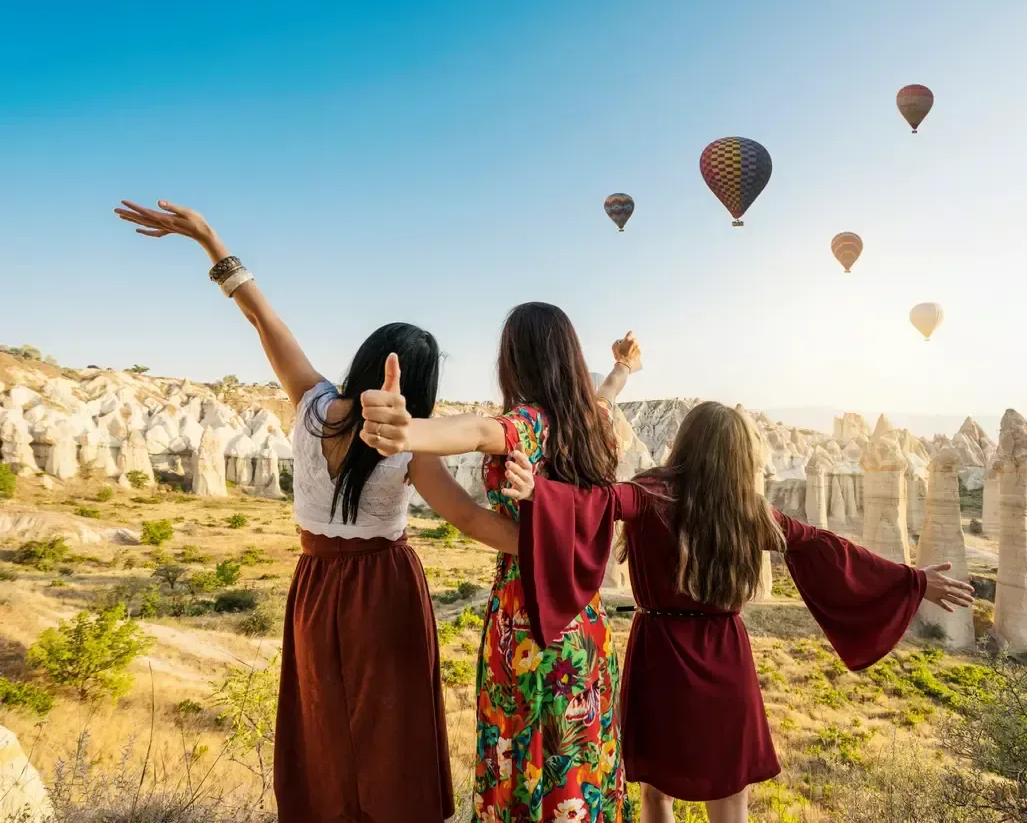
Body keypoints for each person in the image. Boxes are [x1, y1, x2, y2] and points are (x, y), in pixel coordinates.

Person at [114, 200, 522, 823]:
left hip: (315, 584)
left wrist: (207, 238)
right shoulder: (408, 442)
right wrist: (554, 540)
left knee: (322, 719)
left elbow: (259, 318)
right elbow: (469, 520)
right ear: (420, 383)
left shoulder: (310, 402)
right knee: (391, 729)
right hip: (384, 587)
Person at [500, 401, 976, 823]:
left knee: (655, 793)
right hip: (724, 656)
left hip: (660, 654)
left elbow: (598, 503)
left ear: (685, 442)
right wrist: (910, 580)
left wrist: (538, 492)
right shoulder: (746, 510)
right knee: (731, 799)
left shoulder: (650, 493)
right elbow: (828, 550)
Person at [357, 303, 640, 823]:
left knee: (525, 755)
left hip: (526, 619)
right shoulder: (596, 426)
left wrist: (410, 434)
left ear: (514, 359)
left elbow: (477, 432)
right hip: (584, 620)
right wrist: (623, 368)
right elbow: (604, 396)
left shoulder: (526, 424)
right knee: (580, 752)